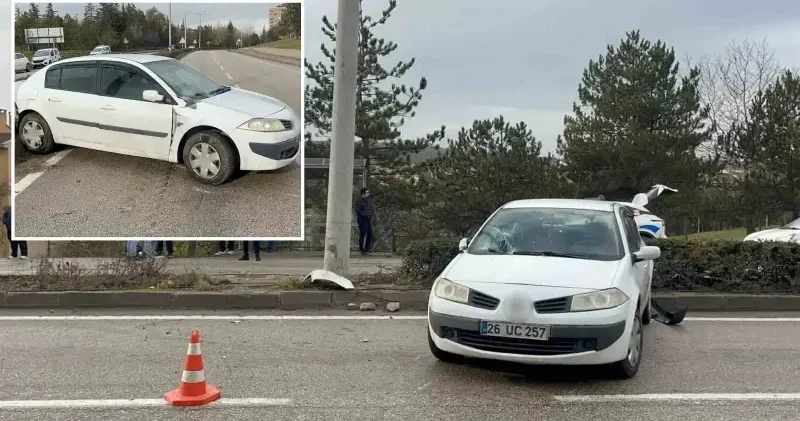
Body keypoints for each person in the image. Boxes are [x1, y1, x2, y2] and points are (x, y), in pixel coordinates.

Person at [355, 188, 374, 255]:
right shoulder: (359, 201)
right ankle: (361, 249)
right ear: (363, 193)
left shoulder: (368, 200)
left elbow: (371, 209)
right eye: (367, 193)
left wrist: (370, 215)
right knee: (362, 234)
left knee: (370, 233)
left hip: (368, 219)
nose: (368, 194)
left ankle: (366, 249)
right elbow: (358, 210)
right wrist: (366, 215)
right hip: (362, 220)